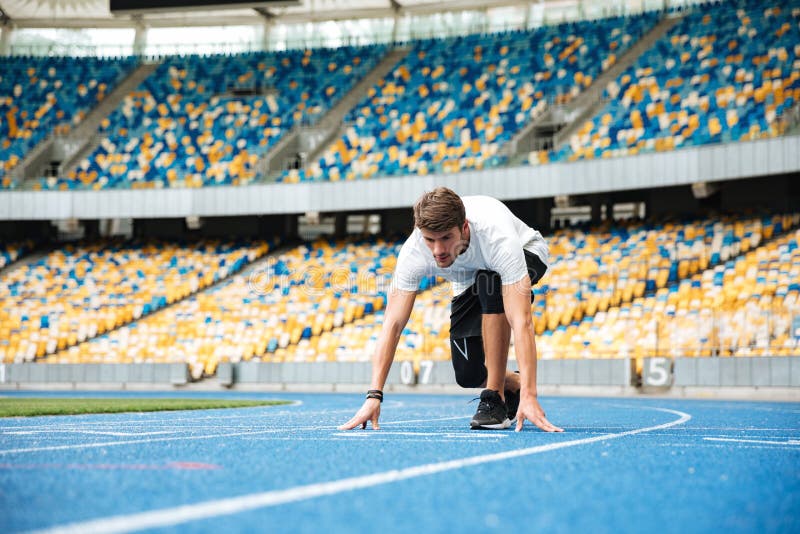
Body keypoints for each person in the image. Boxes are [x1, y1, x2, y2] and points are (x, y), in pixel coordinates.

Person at [339, 187, 563, 432]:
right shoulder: (414, 251)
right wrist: (374, 395)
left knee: (490, 283)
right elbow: (392, 324)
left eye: (446, 238)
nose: (437, 251)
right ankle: (513, 383)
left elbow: (521, 321)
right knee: (468, 373)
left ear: (464, 228)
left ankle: (494, 399)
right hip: (467, 276)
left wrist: (531, 394)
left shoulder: (497, 239)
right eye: (430, 240)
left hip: (528, 251)